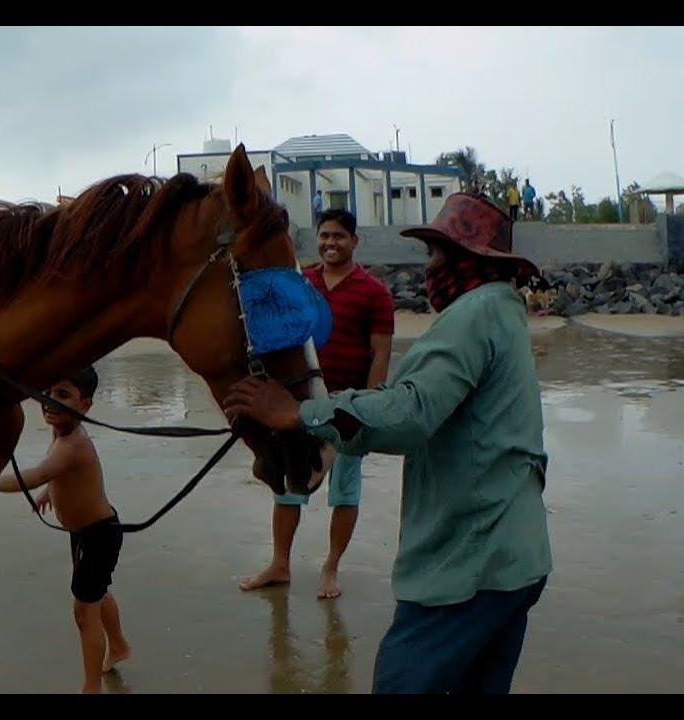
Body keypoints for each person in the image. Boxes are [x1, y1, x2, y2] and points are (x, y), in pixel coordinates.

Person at [223, 193, 551, 694]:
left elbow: (411, 411)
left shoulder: (474, 314)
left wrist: (300, 413)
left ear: (469, 259)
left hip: (468, 565)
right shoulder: (503, 311)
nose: (430, 271)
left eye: (438, 257)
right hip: (514, 557)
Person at [240, 209, 394, 599]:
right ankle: (280, 564)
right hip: (301, 406)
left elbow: (380, 353)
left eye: (339, 236)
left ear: (355, 241)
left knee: (345, 490)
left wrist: (368, 404)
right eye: (325, 236)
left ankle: (330, 567)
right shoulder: (300, 283)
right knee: (287, 487)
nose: (330, 243)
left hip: (346, 404)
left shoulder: (374, 292)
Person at [0, 367, 132, 693]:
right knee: (96, 593)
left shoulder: (74, 445)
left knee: (84, 611)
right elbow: (54, 474)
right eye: (48, 392)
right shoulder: (61, 433)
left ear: (86, 405)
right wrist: (49, 493)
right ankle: (120, 645)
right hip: (84, 533)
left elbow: (38, 473)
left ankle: (91, 687)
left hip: (99, 534)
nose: (50, 402)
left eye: (63, 395)